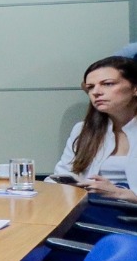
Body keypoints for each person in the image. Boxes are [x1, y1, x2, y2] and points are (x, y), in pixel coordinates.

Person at [53, 56, 137, 201]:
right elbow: (62, 175)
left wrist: (118, 193)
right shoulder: (83, 129)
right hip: (90, 206)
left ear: (135, 88)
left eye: (108, 84)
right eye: (90, 87)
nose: (96, 92)